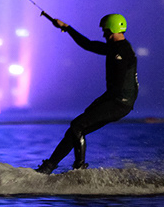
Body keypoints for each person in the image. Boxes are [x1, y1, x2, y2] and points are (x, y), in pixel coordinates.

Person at [35, 13, 138, 174]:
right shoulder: (114, 48)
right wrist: (67, 28)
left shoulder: (123, 51)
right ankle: (47, 168)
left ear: (113, 28)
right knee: (74, 131)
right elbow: (88, 45)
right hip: (114, 100)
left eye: (105, 31)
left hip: (119, 102)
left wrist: (102, 102)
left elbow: (123, 84)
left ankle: (79, 169)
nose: (103, 34)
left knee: (77, 126)